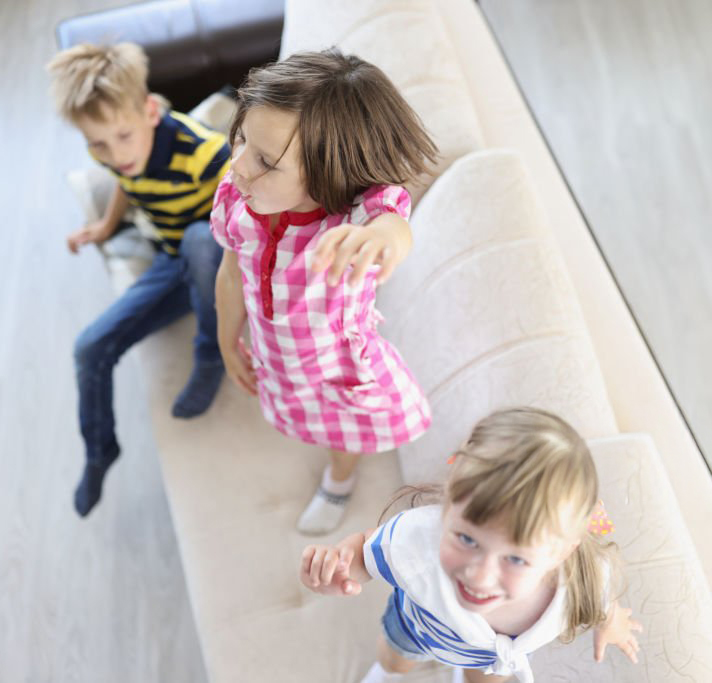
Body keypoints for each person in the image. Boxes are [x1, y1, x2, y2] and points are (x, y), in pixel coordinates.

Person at [211, 49, 437, 535]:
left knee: (342, 428)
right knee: (303, 415)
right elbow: (231, 273)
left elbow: (392, 222)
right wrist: (226, 338)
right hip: (277, 353)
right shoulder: (235, 195)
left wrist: (382, 239)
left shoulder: (352, 214)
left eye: (266, 162)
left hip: (337, 363)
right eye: (243, 139)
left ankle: (339, 478)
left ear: (331, 170)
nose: (240, 166)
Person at [300, 407, 642, 683]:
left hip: (493, 659)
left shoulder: (582, 582)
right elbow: (365, 552)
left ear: (562, 553)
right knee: (394, 659)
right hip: (416, 628)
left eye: (516, 559)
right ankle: (387, 673)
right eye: (466, 539)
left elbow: (600, 600)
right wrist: (339, 570)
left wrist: (610, 622)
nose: (478, 574)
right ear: (448, 507)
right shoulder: (416, 538)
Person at [47, 43, 230, 517]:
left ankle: (212, 356)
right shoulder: (115, 152)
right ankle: (99, 451)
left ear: (151, 111)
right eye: (99, 145)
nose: (114, 155)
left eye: (123, 137)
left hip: (222, 261)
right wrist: (106, 227)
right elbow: (129, 183)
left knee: (198, 239)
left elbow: (252, 220)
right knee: (90, 347)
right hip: (172, 261)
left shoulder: (208, 156)